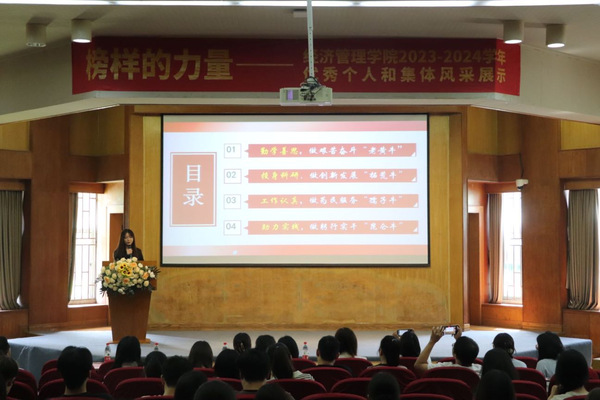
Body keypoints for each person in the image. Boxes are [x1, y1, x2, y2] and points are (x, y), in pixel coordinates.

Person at [414, 325, 481, 377]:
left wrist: (432, 341)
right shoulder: (480, 370)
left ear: (454, 354)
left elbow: (418, 365)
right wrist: (458, 340)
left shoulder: (444, 368)